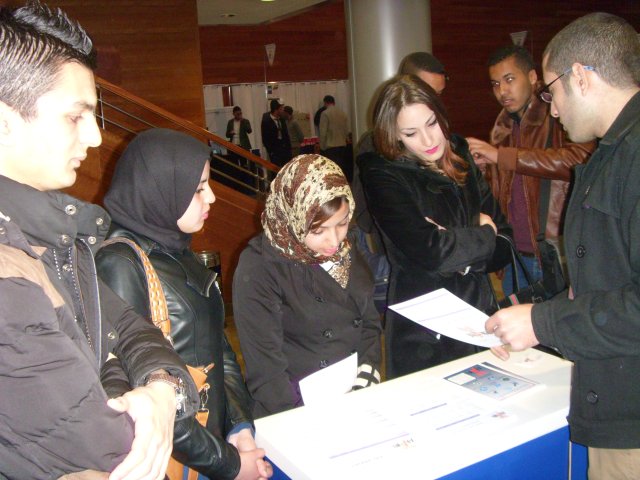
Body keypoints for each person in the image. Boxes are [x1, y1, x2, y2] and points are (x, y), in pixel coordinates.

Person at [0, 2, 199, 478]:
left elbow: (128, 326)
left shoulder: (51, 234)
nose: (94, 138)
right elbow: (110, 445)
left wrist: (158, 388)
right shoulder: (9, 276)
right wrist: (143, 391)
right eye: (76, 117)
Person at [486, 13, 640, 479]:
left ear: (581, 77)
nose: (552, 109)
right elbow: (608, 274)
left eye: (552, 91)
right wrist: (535, 317)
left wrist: (543, 321)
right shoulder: (614, 150)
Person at [95, 129, 272, 480]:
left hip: (210, 441)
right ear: (160, 188)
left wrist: (239, 426)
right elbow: (146, 393)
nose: (212, 197)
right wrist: (230, 465)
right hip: (180, 456)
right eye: (198, 188)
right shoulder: (120, 263)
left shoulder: (175, 246)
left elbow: (219, 347)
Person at [358, 75, 513, 379]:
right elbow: (433, 252)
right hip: (425, 329)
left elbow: (506, 243)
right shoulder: (382, 173)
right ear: (394, 135)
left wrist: (457, 245)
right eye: (411, 133)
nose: (429, 141)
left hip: (478, 317)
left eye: (432, 124)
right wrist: (485, 234)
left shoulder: (459, 153)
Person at [233, 154, 382, 418]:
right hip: (295, 407)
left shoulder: (345, 249)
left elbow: (368, 320)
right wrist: (298, 419)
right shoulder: (260, 266)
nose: (334, 241)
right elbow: (266, 369)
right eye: (318, 231)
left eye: (342, 223)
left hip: (354, 395)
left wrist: (368, 371)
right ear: (293, 217)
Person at [466, 45, 594, 295]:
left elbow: (580, 160)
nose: (502, 91)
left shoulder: (558, 114)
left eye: (509, 79)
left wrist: (501, 155)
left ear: (533, 77)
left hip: (555, 251)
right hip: (514, 253)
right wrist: (486, 169)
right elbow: (508, 188)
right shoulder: (503, 127)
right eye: (495, 84)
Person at [353, 52, 452, 314]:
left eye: (438, 94)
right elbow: (368, 214)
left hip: (439, 260)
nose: (432, 101)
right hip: (393, 254)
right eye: (427, 91)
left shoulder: (442, 142)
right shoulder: (375, 148)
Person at [319, 95, 351, 181]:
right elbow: (346, 130)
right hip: (342, 145)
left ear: (325, 103)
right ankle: (342, 183)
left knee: (332, 168)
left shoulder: (325, 113)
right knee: (340, 167)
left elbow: (323, 132)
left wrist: (322, 147)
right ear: (334, 102)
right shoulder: (342, 113)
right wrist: (347, 140)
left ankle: (334, 184)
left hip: (331, 146)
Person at [260, 99, 291, 167]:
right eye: (281, 109)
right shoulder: (266, 121)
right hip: (274, 153)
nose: (282, 111)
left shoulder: (282, 119)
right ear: (276, 110)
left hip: (284, 151)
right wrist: (271, 152)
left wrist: (288, 149)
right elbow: (265, 138)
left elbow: (286, 135)